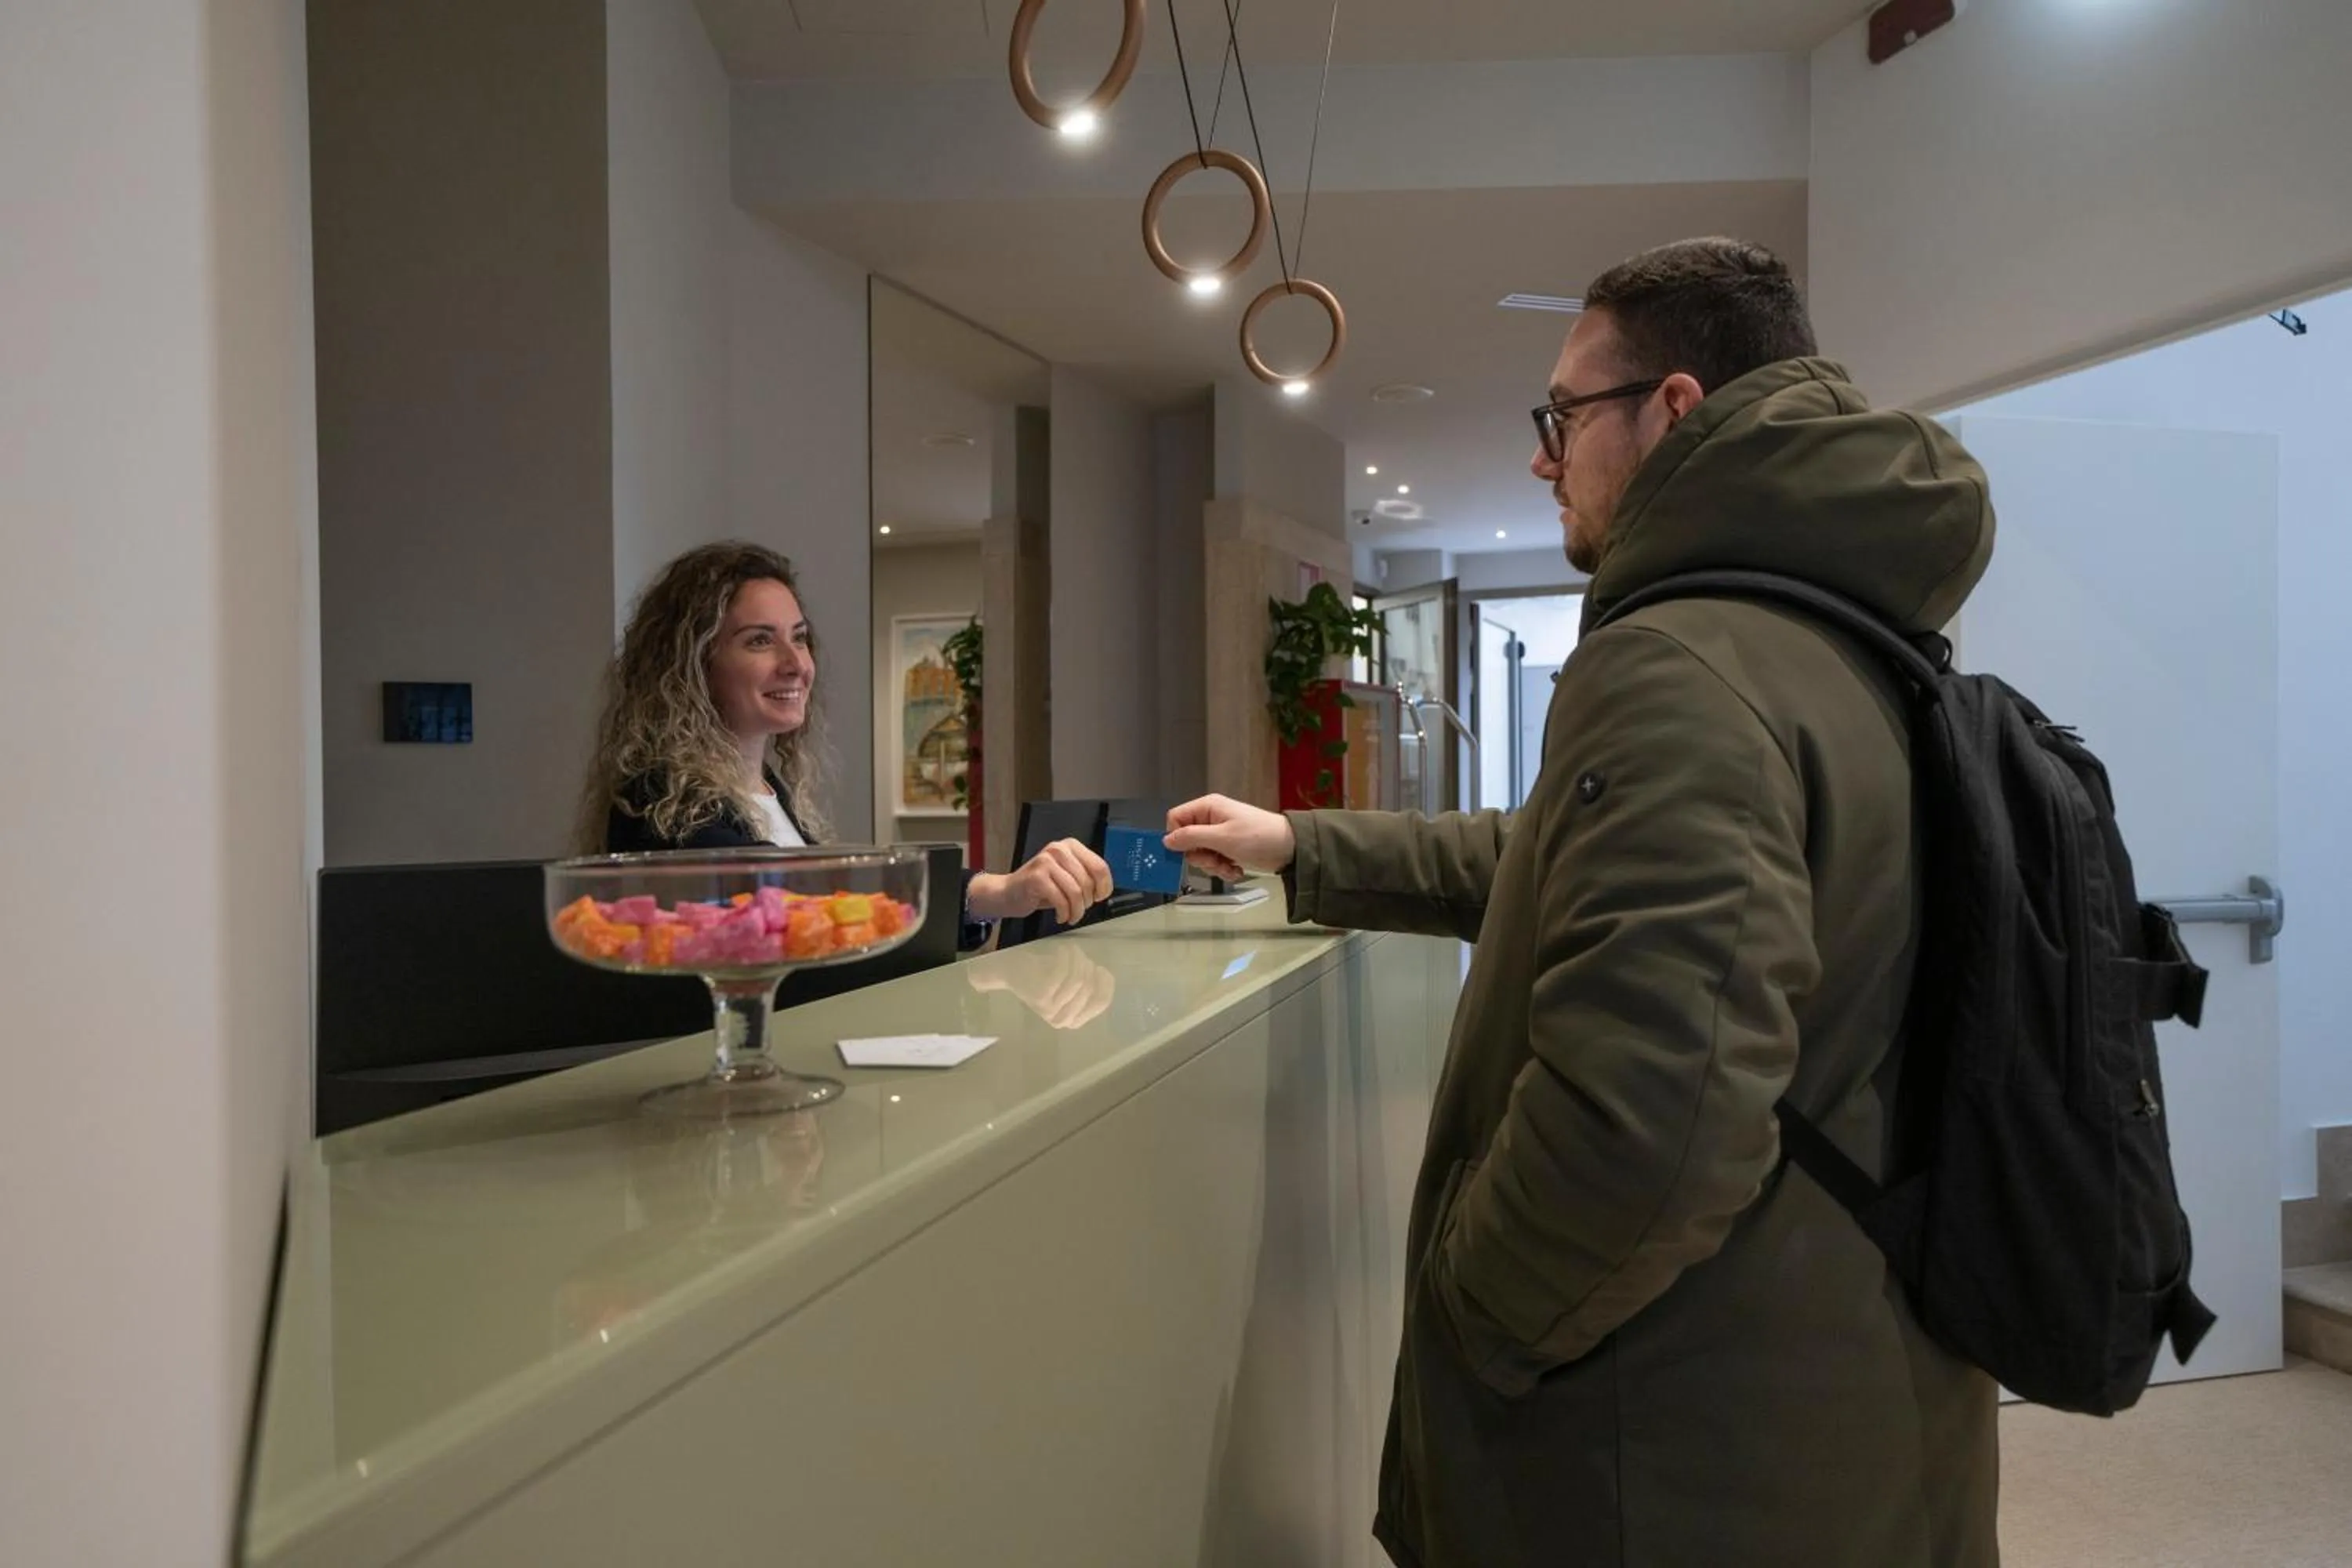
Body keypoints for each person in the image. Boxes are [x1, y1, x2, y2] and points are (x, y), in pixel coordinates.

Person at [1166, 238, 1998, 1568]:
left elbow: (1650, 1124)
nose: (1542, 458)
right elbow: (1564, 855)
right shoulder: (1843, 627)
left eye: (1563, 417)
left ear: (1673, 409)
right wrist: (1304, 845)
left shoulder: (1677, 662)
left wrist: (1470, 1315)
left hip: (1679, 1451)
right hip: (1843, 1386)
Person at [578, 541, 1111, 949]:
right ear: (693, 665)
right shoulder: (658, 797)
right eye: (760, 640)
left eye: (799, 637)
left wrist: (998, 894)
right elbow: (812, 909)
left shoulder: (768, 790)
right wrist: (996, 893)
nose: (796, 663)